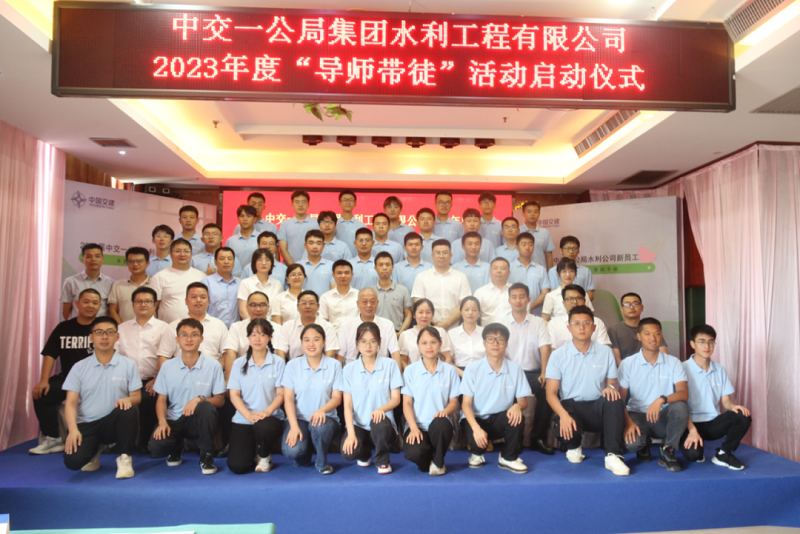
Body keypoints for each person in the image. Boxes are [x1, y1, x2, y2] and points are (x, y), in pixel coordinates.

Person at [545, 306, 629, 476]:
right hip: (571, 408)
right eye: (576, 323)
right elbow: (550, 393)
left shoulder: (605, 352)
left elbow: (612, 383)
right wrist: (563, 415)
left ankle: (613, 455)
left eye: (586, 323)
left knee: (614, 398)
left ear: (594, 327)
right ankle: (573, 446)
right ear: (569, 328)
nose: (581, 327)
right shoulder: (558, 355)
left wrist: (611, 388)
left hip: (596, 407)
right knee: (564, 428)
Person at [62, 317, 141, 478]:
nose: (104, 337)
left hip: (112, 423)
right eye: (99, 332)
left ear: (117, 337)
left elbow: (136, 397)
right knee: (73, 462)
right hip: (87, 423)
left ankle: (125, 458)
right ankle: (94, 451)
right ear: (91, 337)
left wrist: (128, 400)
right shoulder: (79, 367)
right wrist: (73, 430)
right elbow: (70, 402)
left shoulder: (128, 364)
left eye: (109, 332)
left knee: (128, 411)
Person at [149, 318, 226, 475]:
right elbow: (161, 400)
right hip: (174, 419)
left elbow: (220, 400)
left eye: (194, 335)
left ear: (201, 339)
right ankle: (176, 447)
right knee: (156, 447)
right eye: (184, 335)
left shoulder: (213, 366)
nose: (189, 339)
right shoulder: (167, 366)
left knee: (205, 406)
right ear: (177, 339)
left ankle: (206, 456)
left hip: (198, 420)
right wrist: (162, 422)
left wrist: (200, 399)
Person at [30, 289, 100, 455]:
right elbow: (50, 355)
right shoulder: (64, 328)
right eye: (86, 301)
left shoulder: (102, 328)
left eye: (95, 303)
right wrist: (44, 380)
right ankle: (53, 439)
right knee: (42, 393)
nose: (90, 306)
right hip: (68, 380)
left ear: (100, 306)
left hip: (96, 380)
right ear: (77, 304)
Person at [619, 318, 689, 472]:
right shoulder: (628, 363)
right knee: (632, 445)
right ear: (639, 336)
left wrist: (661, 400)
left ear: (661, 336)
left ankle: (668, 452)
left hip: (662, 416)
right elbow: (621, 399)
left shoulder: (673, 362)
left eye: (657, 334)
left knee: (680, 407)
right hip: (637, 415)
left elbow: (684, 393)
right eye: (647, 334)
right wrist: (628, 422)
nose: (653, 338)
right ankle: (644, 444)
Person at [461, 323, 531, 474]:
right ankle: (476, 454)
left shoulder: (515, 369)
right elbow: (465, 404)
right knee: (477, 445)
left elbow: (523, 401)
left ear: (506, 343)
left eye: (500, 339)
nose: (495, 343)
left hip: (500, 418)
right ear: (484, 343)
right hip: (476, 419)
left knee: (517, 417)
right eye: (491, 339)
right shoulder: (472, 369)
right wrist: (476, 429)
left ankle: (508, 458)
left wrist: (517, 406)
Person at [681, 324, 752, 470]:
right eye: (702, 342)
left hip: (712, 422)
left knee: (743, 415)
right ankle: (693, 445)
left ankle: (724, 454)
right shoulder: (681, 368)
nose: (707, 346)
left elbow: (725, 400)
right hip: (689, 423)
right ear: (692, 344)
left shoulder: (720, 370)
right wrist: (692, 430)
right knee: (694, 455)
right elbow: (678, 405)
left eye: (711, 342)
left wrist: (733, 407)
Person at [115, 287, 172, 453]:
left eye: (147, 301)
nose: (143, 304)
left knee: (149, 398)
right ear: (133, 304)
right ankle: (120, 443)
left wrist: (157, 379)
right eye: (139, 301)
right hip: (126, 379)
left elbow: (167, 357)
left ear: (154, 305)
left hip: (151, 379)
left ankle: (145, 442)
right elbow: (115, 356)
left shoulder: (164, 328)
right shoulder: (122, 328)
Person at [341, 322, 404, 474]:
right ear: (357, 343)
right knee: (348, 453)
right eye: (363, 341)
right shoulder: (349, 369)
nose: (368, 346)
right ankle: (364, 454)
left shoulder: (390, 365)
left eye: (373, 341)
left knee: (379, 423)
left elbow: (396, 399)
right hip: (359, 425)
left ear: (379, 342)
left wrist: (381, 409)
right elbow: (347, 405)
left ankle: (383, 461)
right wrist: (351, 435)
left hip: (383, 425)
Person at [280, 324, 343, 475]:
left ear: (324, 342)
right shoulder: (292, 365)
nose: (311, 344)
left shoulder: (334, 365)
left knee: (319, 426)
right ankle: (304, 452)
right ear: (301, 342)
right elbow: (288, 399)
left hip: (326, 419)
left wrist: (321, 410)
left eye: (316, 339)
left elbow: (337, 398)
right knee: (292, 451)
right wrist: (293, 426)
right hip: (300, 419)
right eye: (307, 340)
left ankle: (322, 462)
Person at [227, 319, 286, 474]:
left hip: (270, 418)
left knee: (263, 427)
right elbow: (234, 394)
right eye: (253, 335)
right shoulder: (239, 363)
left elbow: (281, 394)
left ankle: (265, 455)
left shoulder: (278, 362)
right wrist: (248, 415)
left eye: (262, 335)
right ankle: (253, 450)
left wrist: (266, 412)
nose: (257, 339)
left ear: (269, 338)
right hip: (244, 418)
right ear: (248, 337)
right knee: (238, 467)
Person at [402, 327, 461, 475]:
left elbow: (453, 402)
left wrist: (444, 412)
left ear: (440, 344)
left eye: (433, 342)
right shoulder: (410, 371)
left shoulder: (450, 370)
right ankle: (430, 455)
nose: (429, 346)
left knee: (441, 422)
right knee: (416, 456)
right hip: (418, 426)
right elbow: (407, 403)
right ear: (418, 345)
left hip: (439, 425)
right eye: (424, 343)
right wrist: (413, 428)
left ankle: (439, 462)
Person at [504, 283, 554, 455]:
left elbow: (545, 348)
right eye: (514, 297)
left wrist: (544, 372)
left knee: (547, 389)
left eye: (522, 297)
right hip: (509, 373)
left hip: (532, 373)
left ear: (528, 299)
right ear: (509, 300)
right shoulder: (502, 322)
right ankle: (514, 439)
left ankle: (537, 438)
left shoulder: (538, 322)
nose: (518, 300)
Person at [158, 282, 229, 363]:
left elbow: (226, 354)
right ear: (186, 301)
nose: (198, 300)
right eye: (194, 297)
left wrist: (217, 369)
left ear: (208, 301)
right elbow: (164, 356)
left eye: (202, 297)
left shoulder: (219, 325)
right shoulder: (173, 326)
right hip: (179, 370)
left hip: (211, 370)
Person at [411, 240, 471, 331]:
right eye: (437, 253)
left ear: (451, 255)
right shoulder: (421, 277)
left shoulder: (461, 277)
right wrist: (434, 324)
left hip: (454, 329)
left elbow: (464, 305)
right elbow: (419, 304)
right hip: (428, 328)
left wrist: (446, 324)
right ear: (432, 256)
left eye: (445, 253)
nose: (441, 256)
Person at [337, 288, 402, 368]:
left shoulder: (387, 325)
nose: (369, 305)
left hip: (382, 370)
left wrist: (397, 374)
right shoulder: (346, 326)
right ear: (358, 304)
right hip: (353, 371)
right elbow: (339, 356)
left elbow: (395, 353)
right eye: (364, 302)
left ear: (377, 303)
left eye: (372, 302)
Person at [149, 239, 206, 324]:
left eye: (186, 251)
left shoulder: (201, 276)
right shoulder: (159, 277)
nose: (182, 254)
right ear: (170, 253)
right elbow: (152, 307)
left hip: (197, 328)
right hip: (167, 328)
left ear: (191, 254)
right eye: (177, 251)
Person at [223, 292, 283, 370]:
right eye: (253, 305)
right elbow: (231, 353)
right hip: (243, 369)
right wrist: (230, 376)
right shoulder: (236, 327)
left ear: (268, 308)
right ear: (247, 307)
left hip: (271, 371)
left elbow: (279, 354)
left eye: (262, 305)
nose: (258, 309)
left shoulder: (278, 329)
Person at [273, 290, 339, 360]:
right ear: (298, 306)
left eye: (311, 303)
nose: (307, 306)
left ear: (318, 306)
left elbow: (330, 354)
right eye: (303, 303)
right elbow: (280, 352)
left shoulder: (327, 327)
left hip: (321, 365)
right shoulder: (287, 326)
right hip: (294, 365)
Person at [608, 292, 668, 364]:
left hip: (651, 368)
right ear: (622, 309)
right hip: (625, 369)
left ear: (642, 307)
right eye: (627, 304)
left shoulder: (651, 327)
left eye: (635, 304)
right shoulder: (614, 330)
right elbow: (616, 360)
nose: (631, 307)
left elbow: (664, 355)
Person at [548, 285, 611, 352]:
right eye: (570, 299)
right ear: (564, 303)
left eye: (578, 298)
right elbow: (552, 351)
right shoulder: (554, 323)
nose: (575, 302)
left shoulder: (597, 322)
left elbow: (604, 350)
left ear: (584, 301)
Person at [61, 243, 114, 320]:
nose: (93, 259)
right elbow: (66, 311)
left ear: (102, 259)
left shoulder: (111, 283)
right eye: (89, 256)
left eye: (97, 256)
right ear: (83, 260)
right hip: (77, 325)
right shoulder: (71, 281)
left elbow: (112, 310)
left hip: (101, 326)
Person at [399, 299, 452, 365]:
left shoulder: (440, 331)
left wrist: (443, 370)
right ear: (414, 315)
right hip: (414, 371)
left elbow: (447, 357)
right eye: (421, 312)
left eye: (428, 312)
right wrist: (409, 371)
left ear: (432, 315)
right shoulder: (405, 335)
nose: (424, 316)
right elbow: (403, 360)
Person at [508, 232, 549, 316]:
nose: (527, 247)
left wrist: (530, 306)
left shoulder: (541, 269)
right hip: (513, 314)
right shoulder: (509, 268)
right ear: (517, 247)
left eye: (530, 244)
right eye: (524, 244)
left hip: (536, 314)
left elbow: (545, 293)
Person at [108, 247, 151, 324]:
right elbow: (113, 310)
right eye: (131, 261)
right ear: (127, 263)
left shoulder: (154, 284)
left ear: (147, 263)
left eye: (139, 261)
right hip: (123, 329)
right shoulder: (118, 284)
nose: (135, 264)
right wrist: (121, 328)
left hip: (150, 329)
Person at [373, 252, 412, 335]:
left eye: (387, 265)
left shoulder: (403, 290)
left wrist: (401, 332)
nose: (384, 268)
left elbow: (408, 315)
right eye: (381, 265)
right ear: (375, 268)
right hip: (375, 335)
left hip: (397, 334)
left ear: (392, 267)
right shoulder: (371, 292)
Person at [201, 247, 241, 328]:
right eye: (222, 259)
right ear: (215, 262)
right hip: (213, 329)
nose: (226, 262)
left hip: (235, 330)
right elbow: (202, 309)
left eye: (229, 259)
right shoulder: (206, 282)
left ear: (234, 262)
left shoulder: (240, 283)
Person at [238, 249, 283, 320]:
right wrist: (255, 324)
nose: (264, 263)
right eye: (260, 260)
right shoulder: (245, 283)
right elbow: (243, 311)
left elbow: (279, 311)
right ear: (254, 263)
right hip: (251, 324)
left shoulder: (277, 284)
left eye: (267, 260)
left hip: (272, 324)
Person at [547, 236, 595, 301]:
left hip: (580, 305)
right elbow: (553, 293)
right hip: (560, 305)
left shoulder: (586, 271)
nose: (571, 251)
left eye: (574, 248)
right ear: (561, 250)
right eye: (567, 248)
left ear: (578, 251)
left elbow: (590, 295)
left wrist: (577, 302)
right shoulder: (552, 271)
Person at [278, 190, 319, 264]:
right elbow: (283, 249)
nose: (300, 205)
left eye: (303, 202)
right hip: (289, 266)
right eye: (297, 202)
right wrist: (293, 267)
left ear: (308, 205)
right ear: (292, 205)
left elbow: (319, 246)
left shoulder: (316, 223)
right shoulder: (285, 224)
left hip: (311, 265)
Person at [319, 260, 359, 334]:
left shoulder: (359, 296)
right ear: (333, 275)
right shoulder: (325, 297)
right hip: (332, 336)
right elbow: (323, 321)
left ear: (352, 275)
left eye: (346, 273)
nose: (343, 276)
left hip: (355, 335)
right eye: (339, 273)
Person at [449, 297, 484, 376]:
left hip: (482, 373)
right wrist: (464, 374)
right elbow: (449, 361)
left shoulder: (485, 332)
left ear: (479, 312)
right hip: (459, 373)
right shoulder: (451, 334)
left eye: (474, 310)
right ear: (461, 312)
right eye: (466, 309)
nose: (470, 313)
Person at [473, 257, 513, 325]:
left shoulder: (516, 291)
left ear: (509, 273)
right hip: (487, 330)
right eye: (495, 268)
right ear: (490, 272)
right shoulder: (480, 292)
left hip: (512, 330)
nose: (499, 271)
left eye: (503, 268)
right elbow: (474, 317)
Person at [298, 230, 336, 297]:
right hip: (304, 303)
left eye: (318, 243)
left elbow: (334, 290)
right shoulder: (298, 266)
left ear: (323, 246)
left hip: (325, 303)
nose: (315, 246)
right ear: (305, 245)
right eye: (311, 243)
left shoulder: (332, 266)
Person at [521, 201, 555, 270]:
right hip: (521, 271)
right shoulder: (517, 231)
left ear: (539, 214)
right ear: (523, 213)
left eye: (535, 212)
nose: (532, 214)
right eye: (529, 211)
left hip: (540, 272)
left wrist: (550, 273)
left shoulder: (545, 233)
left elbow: (549, 256)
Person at [225, 205, 260, 269]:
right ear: (238, 218)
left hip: (256, 274)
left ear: (254, 219)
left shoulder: (261, 238)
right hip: (235, 274)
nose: (245, 219)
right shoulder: (231, 241)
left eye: (248, 216)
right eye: (242, 216)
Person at [335, 190, 366, 257]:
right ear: (339, 203)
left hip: (356, 260)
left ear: (355, 204)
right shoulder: (334, 225)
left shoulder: (361, 226)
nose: (348, 202)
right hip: (338, 260)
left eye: (351, 200)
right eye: (345, 200)